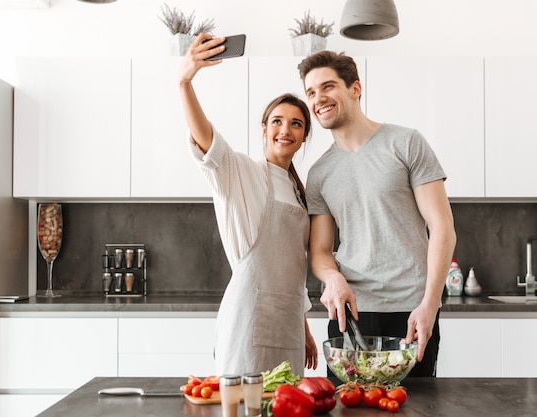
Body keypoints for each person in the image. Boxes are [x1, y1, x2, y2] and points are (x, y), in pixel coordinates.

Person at [298, 51, 457, 377]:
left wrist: (430, 304)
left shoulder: (406, 143)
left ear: (355, 88)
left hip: (411, 310)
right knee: (346, 410)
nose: (319, 98)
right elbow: (320, 252)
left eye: (328, 86)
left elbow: (442, 227)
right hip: (349, 310)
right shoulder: (319, 173)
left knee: (412, 407)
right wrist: (333, 278)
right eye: (311, 92)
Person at [178, 34, 318, 376]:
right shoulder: (241, 172)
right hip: (247, 319)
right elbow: (205, 138)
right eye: (277, 122)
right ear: (264, 129)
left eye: (296, 124)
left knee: (288, 406)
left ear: (303, 137)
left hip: (287, 323)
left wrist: (304, 325)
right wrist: (184, 82)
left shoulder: (302, 193)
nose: (285, 130)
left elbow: (295, 270)